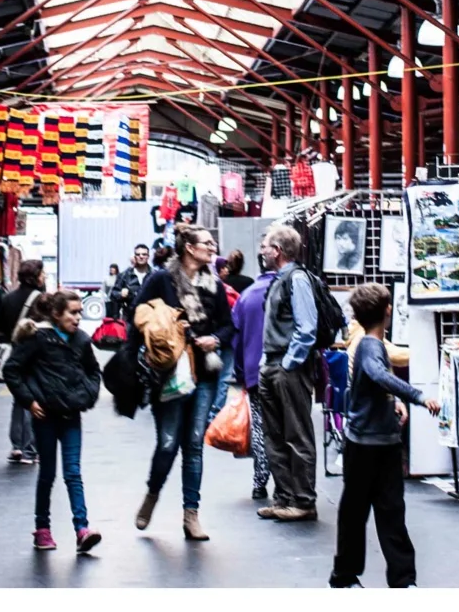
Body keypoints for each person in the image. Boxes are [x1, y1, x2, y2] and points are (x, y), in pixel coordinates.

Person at [131, 222, 235, 541]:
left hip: (203, 374)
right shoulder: (161, 279)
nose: (213, 248)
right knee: (167, 442)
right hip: (170, 373)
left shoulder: (213, 284)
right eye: (207, 243)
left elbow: (228, 326)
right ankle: (153, 493)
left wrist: (214, 339)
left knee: (193, 444)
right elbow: (138, 316)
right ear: (190, 248)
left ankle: (191, 515)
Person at [330, 283, 437, 588]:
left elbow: (373, 382)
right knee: (380, 511)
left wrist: (397, 401)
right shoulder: (369, 345)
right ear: (388, 311)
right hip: (369, 443)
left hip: (373, 441)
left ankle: (353, 577)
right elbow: (378, 375)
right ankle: (388, 580)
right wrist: (418, 396)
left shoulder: (369, 344)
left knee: (367, 511)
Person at [2, 290, 104, 554]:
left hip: (71, 415)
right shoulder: (38, 339)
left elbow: (94, 371)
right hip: (45, 416)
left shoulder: (81, 340)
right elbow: (11, 369)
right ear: (56, 314)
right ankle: (42, 530)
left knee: (73, 472)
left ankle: (82, 530)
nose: (78, 317)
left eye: (80, 312)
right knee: (47, 473)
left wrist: (87, 395)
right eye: (72, 312)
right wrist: (30, 401)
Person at [258, 222, 325, 522]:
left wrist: (288, 363)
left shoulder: (296, 279)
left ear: (278, 251)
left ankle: (303, 500)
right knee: (275, 435)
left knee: (296, 434)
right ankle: (284, 497)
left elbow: (307, 327)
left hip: (288, 367)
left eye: (266, 247)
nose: (262, 251)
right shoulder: (279, 279)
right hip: (273, 365)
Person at [231, 238, 283, 503]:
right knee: (286, 427)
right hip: (287, 372)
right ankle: (285, 483)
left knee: (261, 427)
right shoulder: (290, 289)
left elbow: (237, 340)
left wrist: (240, 372)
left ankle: (260, 481)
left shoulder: (247, 296)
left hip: (254, 373)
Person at [0, 259, 48, 464]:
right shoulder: (40, 300)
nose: (44, 277)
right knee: (32, 398)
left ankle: (16, 446)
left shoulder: (8, 298)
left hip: (13, 353)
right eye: (42, 274)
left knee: (18, 398)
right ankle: (29, 448)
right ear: (36, 277)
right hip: (33, 355)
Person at [107, 244, 151, 322]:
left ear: (148, 256)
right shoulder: (124, 275)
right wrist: (121, 294)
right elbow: (113, 294)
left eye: (144, 254)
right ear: (135, 257)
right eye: (138, 254)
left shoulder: (154, 275)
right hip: (130, 318)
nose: (141, 256)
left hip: (149, 318)